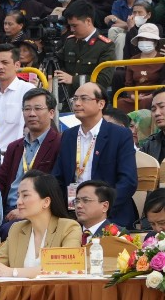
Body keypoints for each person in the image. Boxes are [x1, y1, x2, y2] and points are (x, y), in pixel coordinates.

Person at [53, 82, 139, 229]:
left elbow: (128, 181)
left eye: (84, 98)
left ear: (101, 104)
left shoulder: (119, 134)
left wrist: (101, 209)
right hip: (74, 215)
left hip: (111, 215)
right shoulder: (68, 136)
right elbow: (58, 178)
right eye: (75, 99)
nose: (77, 103)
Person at [0, 171, 81, 279]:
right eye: (18, 196)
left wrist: (13, 272)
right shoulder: (17, 229)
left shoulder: (69, 228)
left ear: (46, 202)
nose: (18, 202)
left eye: (25, 195)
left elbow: (66, 268)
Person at [0, 89, 60, 225]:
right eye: (27, 109)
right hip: (7, 210)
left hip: (37, 212)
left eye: (38, 108)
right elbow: (0, 179)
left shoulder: (59, 143)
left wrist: (26, 209)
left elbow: (55, 186)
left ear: (51, 113)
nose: (32, 114)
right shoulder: (14, 147)